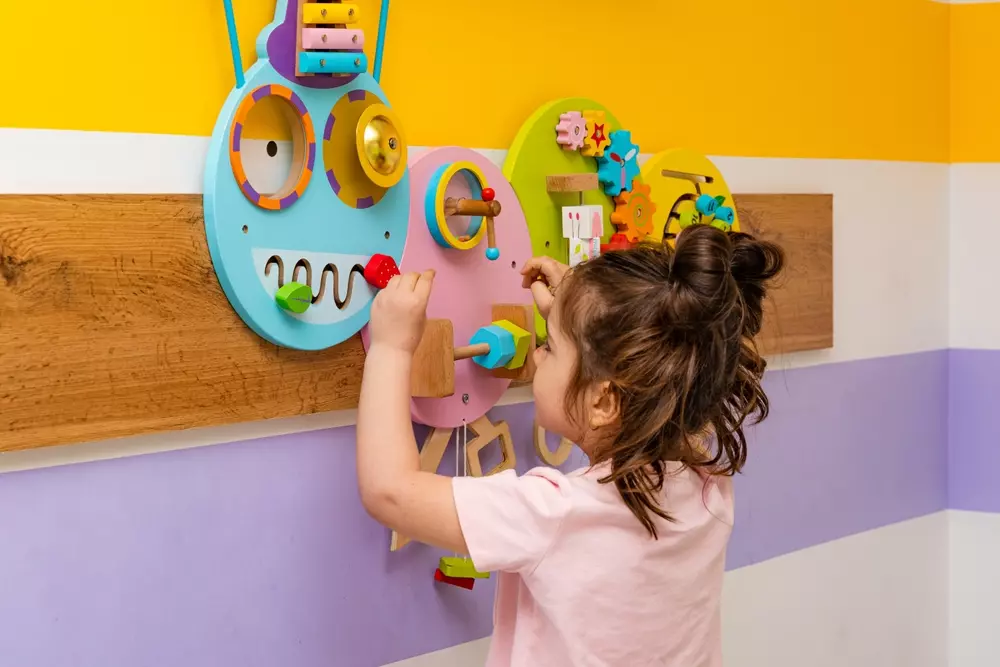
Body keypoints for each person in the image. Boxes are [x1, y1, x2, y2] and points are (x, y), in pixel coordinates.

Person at [357, 224, 785, 666]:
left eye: (550, 346)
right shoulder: (710, 492)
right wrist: (580, 313)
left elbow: (389, 490)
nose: (538, 355)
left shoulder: (554, 514)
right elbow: (641, 415)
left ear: (603, 400)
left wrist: (391, 346)